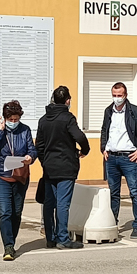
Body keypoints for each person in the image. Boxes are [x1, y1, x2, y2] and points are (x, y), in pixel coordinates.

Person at [36, 86, 91, 250]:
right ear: (67, 100)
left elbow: (39, 146)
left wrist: (44, 161)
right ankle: (63, 238)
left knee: (49, 203)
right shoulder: (68, 118)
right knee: (62, 203)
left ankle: (50, 238)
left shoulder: (44, 120)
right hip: (66, 166)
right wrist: (84, 151)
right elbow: (80, 136)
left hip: (49, 167)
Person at [101, 82, 137, 238]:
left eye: (120, 95)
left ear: (125, 95)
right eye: (114, 95)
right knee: (113, 193)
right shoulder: (108, 111)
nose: (117, 98)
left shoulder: (136, 112)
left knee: (135, 192)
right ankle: (112, 223)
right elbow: (104, 130)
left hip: (130, 158)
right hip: (112, 158)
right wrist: (103, 148)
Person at [0, 101, 38, 260]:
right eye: (11, 120)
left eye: (16, 119)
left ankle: (12, 241)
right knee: (5, 212)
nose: (14, 122)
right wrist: (0, 131)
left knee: (16, 213)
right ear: (5, 118)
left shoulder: (25, 130)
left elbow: (32, 149)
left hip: (20, 175)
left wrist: (30, 157)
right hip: (1, 175)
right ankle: (8, 246)